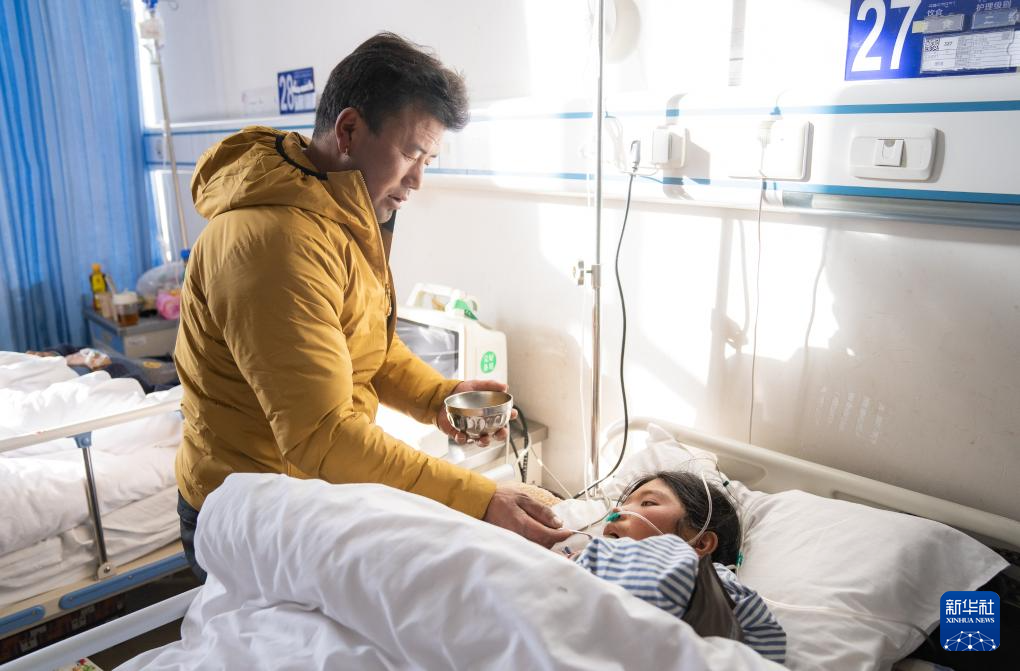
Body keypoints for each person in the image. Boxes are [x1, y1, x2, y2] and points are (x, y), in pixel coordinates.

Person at [174, 32, 570, 581]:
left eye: (428, 160)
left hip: (302, 493)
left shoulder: (337, 213)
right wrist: (479, 498)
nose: (418, 180)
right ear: (349, 131)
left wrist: (436, 398)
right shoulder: (275, 241)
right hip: (250, 513)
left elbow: (365, 346)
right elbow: (321, 435)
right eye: (411, 154)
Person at [573, 471, 786, 664]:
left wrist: (587, 561)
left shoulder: (717, 584)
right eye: (623, 502)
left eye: (648, 503)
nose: (617, 510)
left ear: (700, 543)